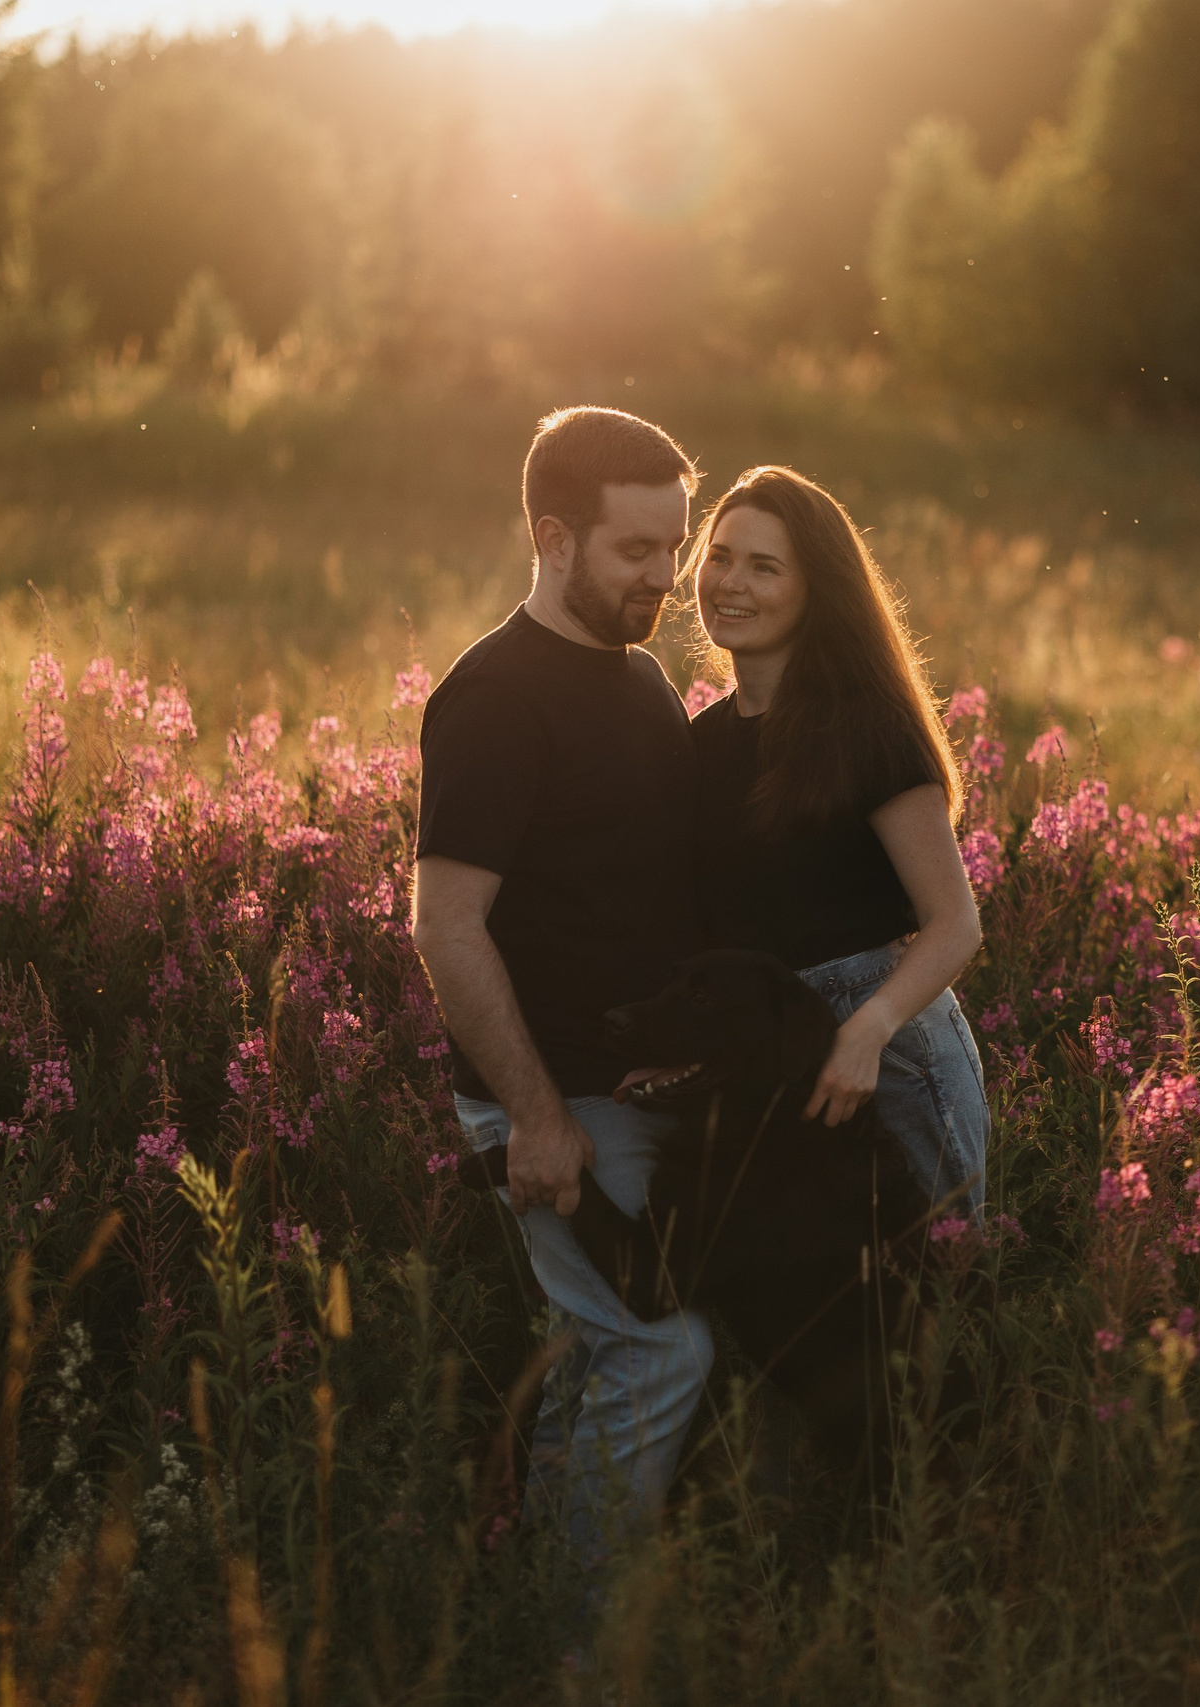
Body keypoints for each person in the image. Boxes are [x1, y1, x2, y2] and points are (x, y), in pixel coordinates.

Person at [407, 406, 710, 1578]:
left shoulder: (637, 682)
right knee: (659, 1349)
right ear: (553, 536)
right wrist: (536, 1116)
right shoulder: (494, 699)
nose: (664, 577)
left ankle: (531, 1606)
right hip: (562, 1107)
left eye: (673, 546)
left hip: (634, 1100)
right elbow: (445, 924)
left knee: (600, 1347)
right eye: (637, 549)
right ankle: (587, 1654)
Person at [673, 464, 989, 1217]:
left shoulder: (865, 726)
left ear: (816, 587)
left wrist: (867, 1030)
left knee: (932, 1301)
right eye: (719, 556)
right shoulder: (701, 743)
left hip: (892, 1051)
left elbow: (955, 922)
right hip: (769, 1054)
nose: (730, 583)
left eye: (765, 566)